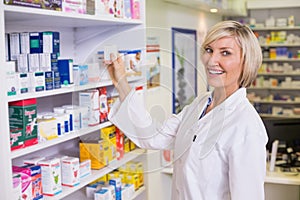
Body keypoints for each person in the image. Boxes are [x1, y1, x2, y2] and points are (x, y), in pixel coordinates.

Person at [106, 20, 268, 200]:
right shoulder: (200, 104)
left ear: (246, 62)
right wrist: (120, 80)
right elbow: (153, 136)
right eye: (209, 50)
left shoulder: (247, 127)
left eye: (225, 53)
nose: (212, 61)